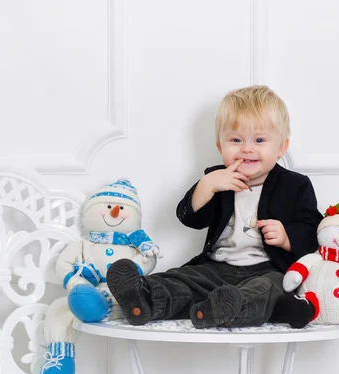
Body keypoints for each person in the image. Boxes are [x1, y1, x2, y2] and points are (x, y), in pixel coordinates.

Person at [107, 85, 323, 329]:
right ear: (221, 146)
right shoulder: (216, 178)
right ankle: (143, 298)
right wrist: (206, 186)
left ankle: (227, 309)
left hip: (267, 270)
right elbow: (189, 217)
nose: (247, 148)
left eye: (259, 140)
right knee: (183, 280)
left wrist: (287, 237)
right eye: (236, 140)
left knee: (269, 290)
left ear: (281, 147)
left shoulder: (295, 185)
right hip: (216, 266)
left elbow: (314, 231)